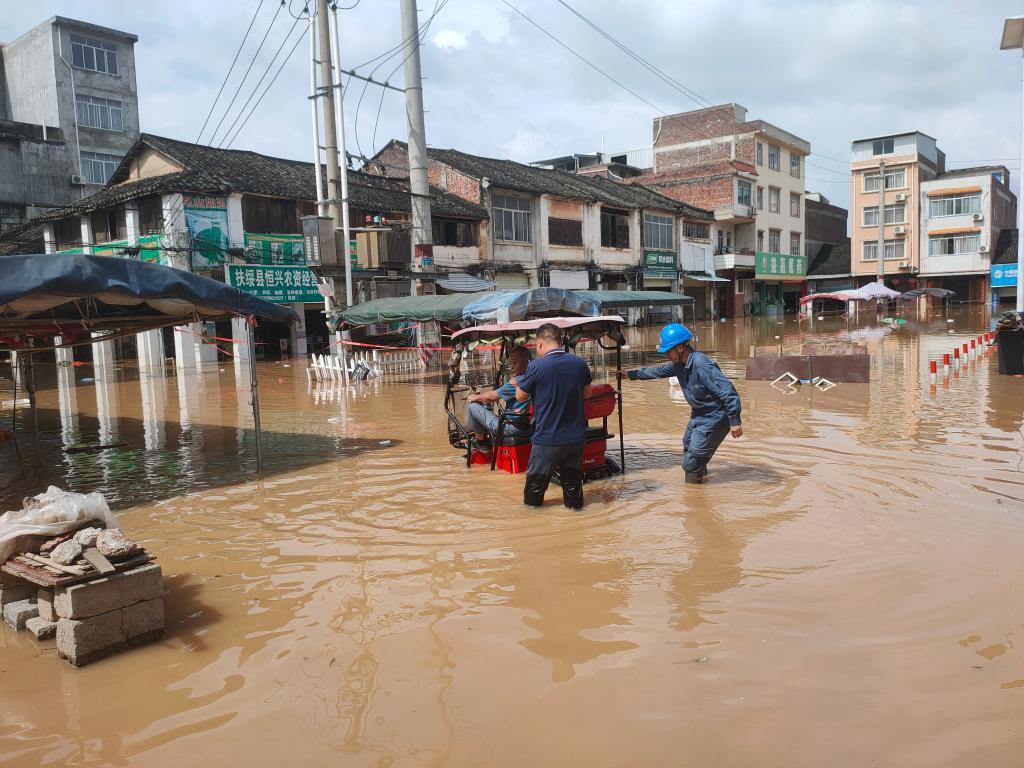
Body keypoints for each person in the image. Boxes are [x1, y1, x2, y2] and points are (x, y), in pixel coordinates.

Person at [619, 323, 742, 484]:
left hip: (716, 416)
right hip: (699, 414)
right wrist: (631, 375)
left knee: (691, 463)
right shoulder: (679, 365)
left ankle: (693, 495)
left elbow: (728, 392)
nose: (666, 355)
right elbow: (657, 371)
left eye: (668, 351)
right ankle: (701, 483)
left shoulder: (701, 364)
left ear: (680, 348)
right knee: (688, 446)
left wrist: (735, 422)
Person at [514, 323, 592, 509]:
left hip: (547, 440)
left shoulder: (536, 366)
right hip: (576, 439)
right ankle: (577, 519)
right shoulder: (579, 363)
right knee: (573, 490)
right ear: (560, 341)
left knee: (533, 496)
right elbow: (587, 394)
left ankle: (532, 523)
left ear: (540, 343)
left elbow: (520, 396)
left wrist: (520, 380)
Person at [465, 346, 532, 448]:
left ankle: (481, 443)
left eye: (515, 363)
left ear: (526, 362)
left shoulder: (517, 381)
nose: (512, 366)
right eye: (511, 363)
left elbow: (492, 396)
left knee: (472, 407)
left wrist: (474, 397)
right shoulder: (533, 377)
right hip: (527, 425)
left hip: (511, 428)